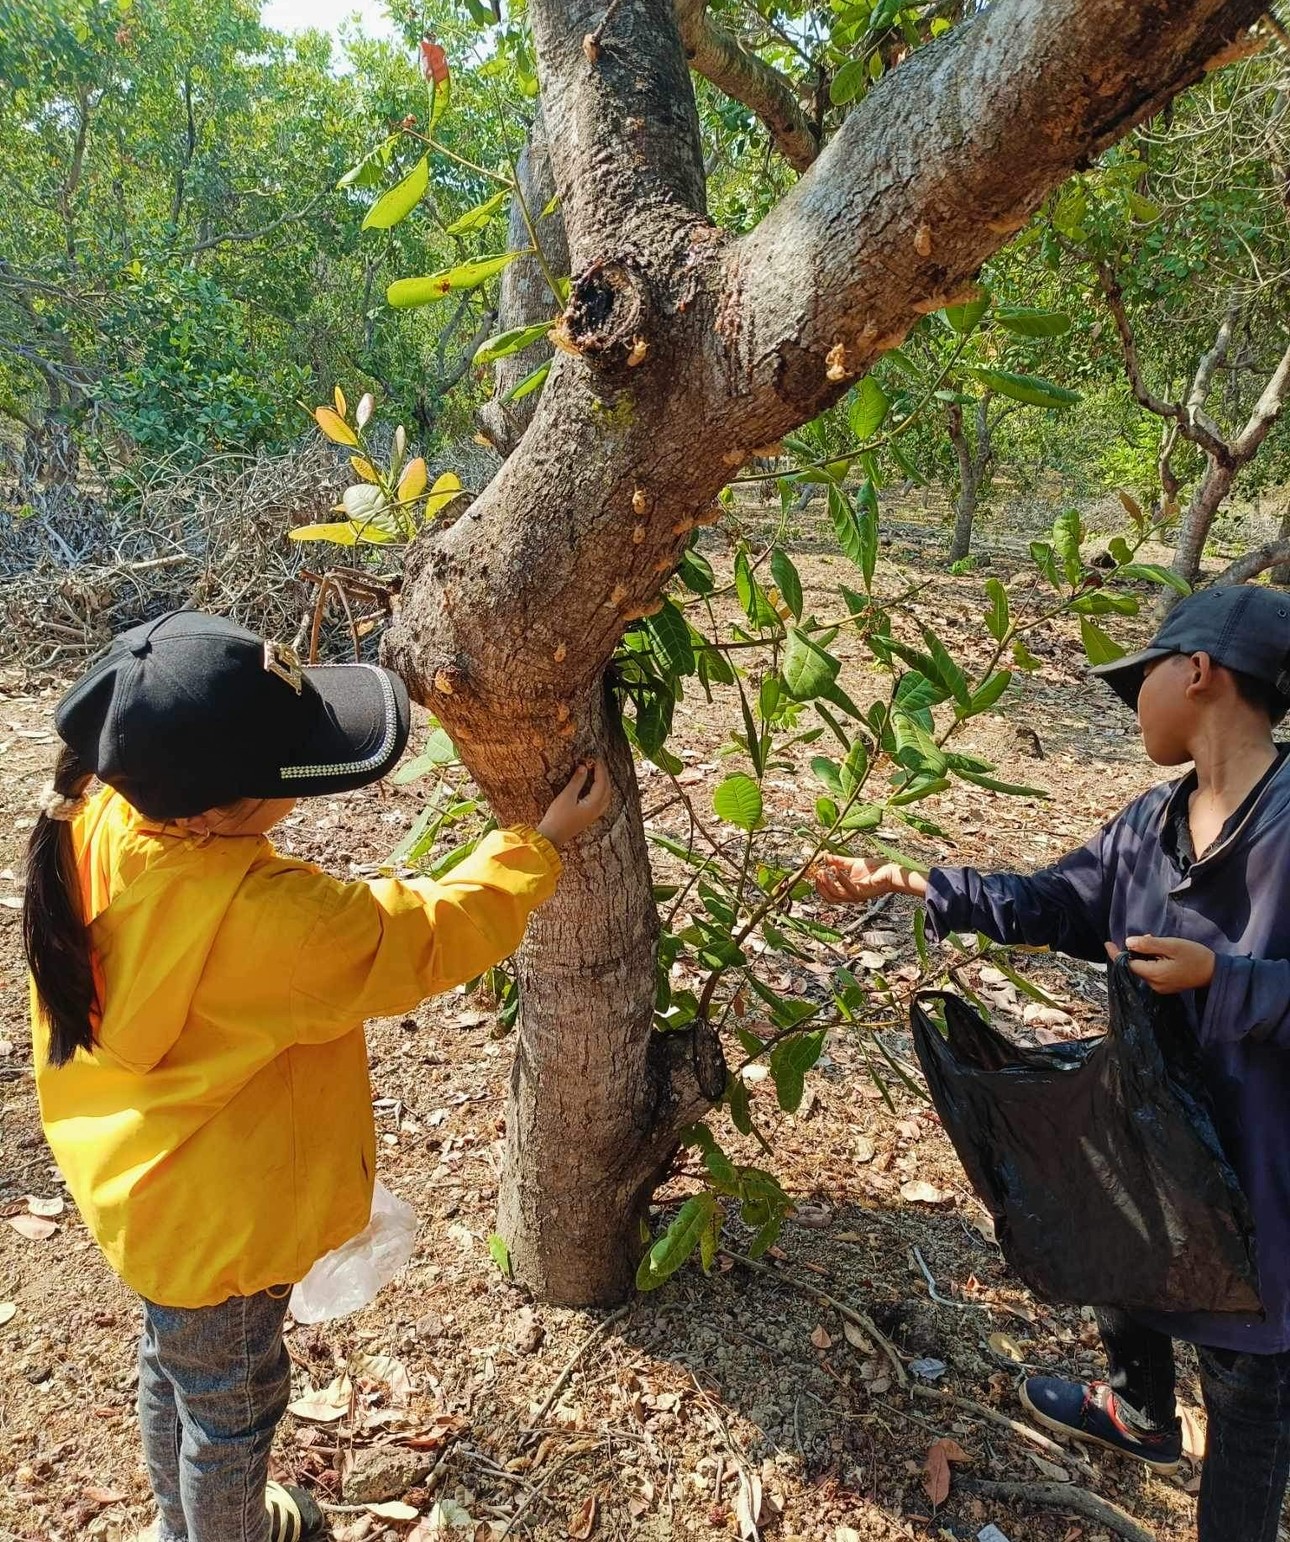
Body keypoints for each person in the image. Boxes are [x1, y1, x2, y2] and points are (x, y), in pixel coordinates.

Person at [23, 609, 610, 1542]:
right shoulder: (270, 923)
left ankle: (182, 1524)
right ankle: (218, 1532)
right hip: (223, 1229)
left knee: (176, 1368)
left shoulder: (99, 812)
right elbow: (419, 936)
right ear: (217, 812)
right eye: (285, 766)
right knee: (233, 1418)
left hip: (148, 1195)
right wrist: (533, 847)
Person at [814, 585, 1290, 1542]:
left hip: (1264, 1168)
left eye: (1145, 673)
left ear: (1197, 673)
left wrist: (1226, 982)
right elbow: (1054, 901)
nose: (1135, 699)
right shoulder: (1149, 828)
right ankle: (1141, 1414)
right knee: (1112, 1222)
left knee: (1248, 1389)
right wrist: (922, 885)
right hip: (1157, 1132)